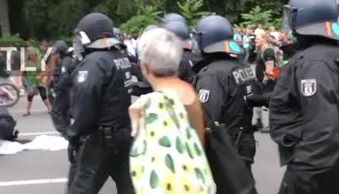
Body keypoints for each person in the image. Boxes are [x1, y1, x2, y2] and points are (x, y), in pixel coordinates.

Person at [269, 0, 339, 194]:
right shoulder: (332, 52)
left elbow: (322, 122)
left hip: (317, 164)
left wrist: (304, 171)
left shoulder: (315, 60)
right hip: (338, 156)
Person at [129, 28, 216, 194]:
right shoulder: (188, 91)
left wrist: (136, 127)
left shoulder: (156, 104)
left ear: (145, 66)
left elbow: (157, 171)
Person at [67, 12, 134, 194]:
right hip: (123, 133)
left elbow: (84, 105)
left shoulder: (94, 63)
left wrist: (74, 136)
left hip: (101, 139)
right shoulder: (119, 56)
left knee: (81, 189)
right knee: (129, 187)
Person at [194, 15, 258, 171]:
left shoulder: (212, 75)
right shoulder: (241, 67)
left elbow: (206, 119)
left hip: (223, 152)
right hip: (243, 144)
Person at [49, 40, 77, 139]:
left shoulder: (66, 61)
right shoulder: (69, 59)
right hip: (70, 90)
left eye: (56, 53)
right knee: (65, 112)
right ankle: (68, 131)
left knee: (56, 112)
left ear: (60, 52)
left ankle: (66, 134)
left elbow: (65, 78)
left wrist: (56, 87)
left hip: (65, 90)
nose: (55, 55)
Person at [19, 47, 51, 116]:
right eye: (32, 55)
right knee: (30, 96)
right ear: (29, 56)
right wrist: (21, 81)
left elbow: (47, 70)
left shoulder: (40, 62)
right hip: (31, 82)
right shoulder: (25, 63)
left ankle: (49, 108)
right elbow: (21, 73)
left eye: (34, 55)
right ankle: (27, 111)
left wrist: (42, 75)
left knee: (43, 95)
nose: (33, 56)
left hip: (40, 81)